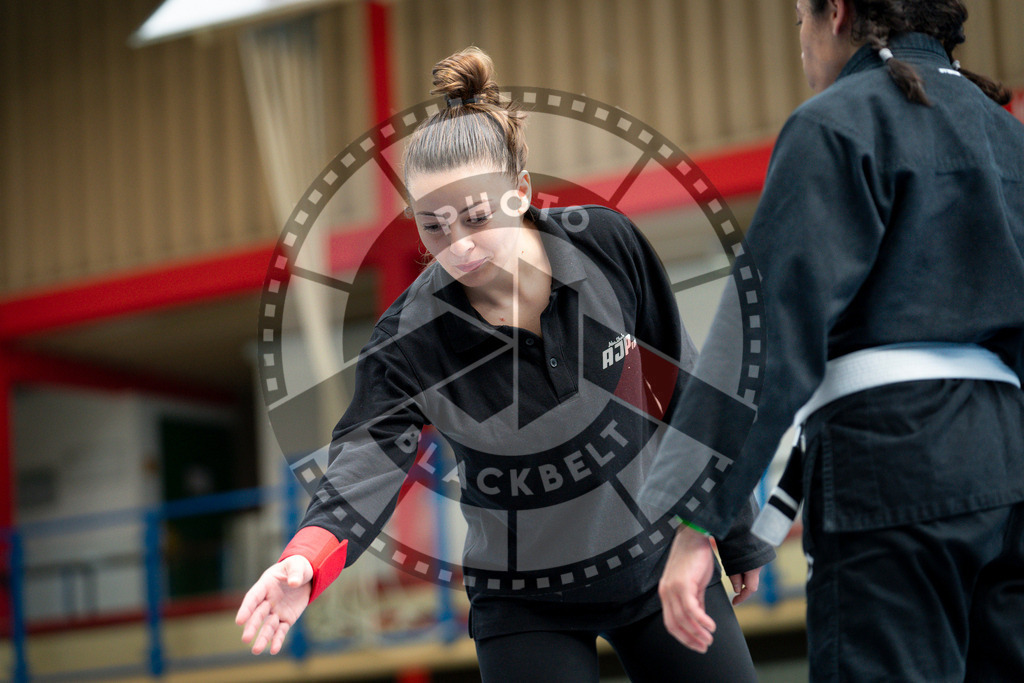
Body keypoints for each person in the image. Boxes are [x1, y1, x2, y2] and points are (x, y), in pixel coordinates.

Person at [235, 47, 775, 682]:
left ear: (519, 192)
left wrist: (733, 531)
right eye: (433, 226)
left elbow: (683, 388)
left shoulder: (606, 246)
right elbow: (367, 456)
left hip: (654, 559)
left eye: (475, 217)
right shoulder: (411, 337)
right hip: (525, 600)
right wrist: (307, 557)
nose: (457, 245)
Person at [641, 1, 1024, 680]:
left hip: (892, 468)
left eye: (798, 21)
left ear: (836, 12)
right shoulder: (1007, 135)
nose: (801, 44)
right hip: (1008, 468)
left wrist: (697, 516)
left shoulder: (837, 123)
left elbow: (769, 331)